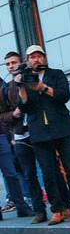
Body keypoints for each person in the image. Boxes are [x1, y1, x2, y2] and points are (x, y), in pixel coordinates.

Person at [16, 45, 70, 224]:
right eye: (32, 57)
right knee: (48, 173)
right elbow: (24, 106)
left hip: (60, 128)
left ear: (44, 58)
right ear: (27, 61)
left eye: (39, 56)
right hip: (39, 132)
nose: (36, 59)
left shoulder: (56, 74)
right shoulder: (26, 78)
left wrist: (43, 87)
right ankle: (57, 209)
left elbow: (64, 96)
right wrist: (20, 85)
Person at [0, 78, 34, 220]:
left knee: (11, 173)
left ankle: (21, 206)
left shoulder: (1, 87)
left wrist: (11, 135)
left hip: (1, 136)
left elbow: (5, 111)